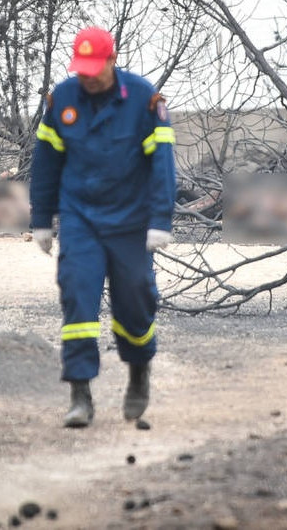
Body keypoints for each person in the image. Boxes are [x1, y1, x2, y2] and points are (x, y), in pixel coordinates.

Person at [29, 26, 176, 428]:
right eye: (82, 69)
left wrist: (160, 220)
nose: (87, 77)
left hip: (131, 220)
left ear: (112, 61)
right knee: (77, 296)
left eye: (95, 68)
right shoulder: (62, 100)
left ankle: (139, 370)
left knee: (135, 301)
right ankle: (80, 393)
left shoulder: (144, 99)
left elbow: (162, 164)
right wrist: (41, 219)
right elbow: (45, 163)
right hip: (82, 218)